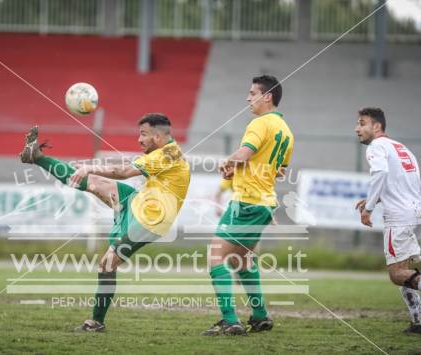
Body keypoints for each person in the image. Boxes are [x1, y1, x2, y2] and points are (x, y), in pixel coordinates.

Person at [19, 113, 190, 332]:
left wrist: (89, 166)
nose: (139, 140)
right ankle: (38, 156)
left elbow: (123, 172)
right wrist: (90, 171)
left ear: (157, 136)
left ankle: (96, 322)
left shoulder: (168, 154)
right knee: (93, 182)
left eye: (143, 134)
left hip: (151, 221)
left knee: (106, 265)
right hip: (138, 203)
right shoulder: (164, 151)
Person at [203, 75, 294, 336]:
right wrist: (241, 170)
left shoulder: (259, 123)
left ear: (267, 97)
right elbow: (280, 172)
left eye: (252, 93)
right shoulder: (286, 131)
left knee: (216, 257)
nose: (248, 98)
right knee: (242, 260)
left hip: (247, 202)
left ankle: (230, 321)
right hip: (265, 204)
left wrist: (228, 163)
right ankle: (260, 316)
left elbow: (245, 153)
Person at [355, 107, 421, 334]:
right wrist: (375, 198)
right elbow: (405, 185)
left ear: (377, 126)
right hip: (414, 213)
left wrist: (369, 208)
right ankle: (418, 321)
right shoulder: (402, 148)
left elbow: (380, 173)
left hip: (398, 218)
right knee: (407, 272)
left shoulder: (377, 146)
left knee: (396, 274)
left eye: (362, 123)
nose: (357, 129)